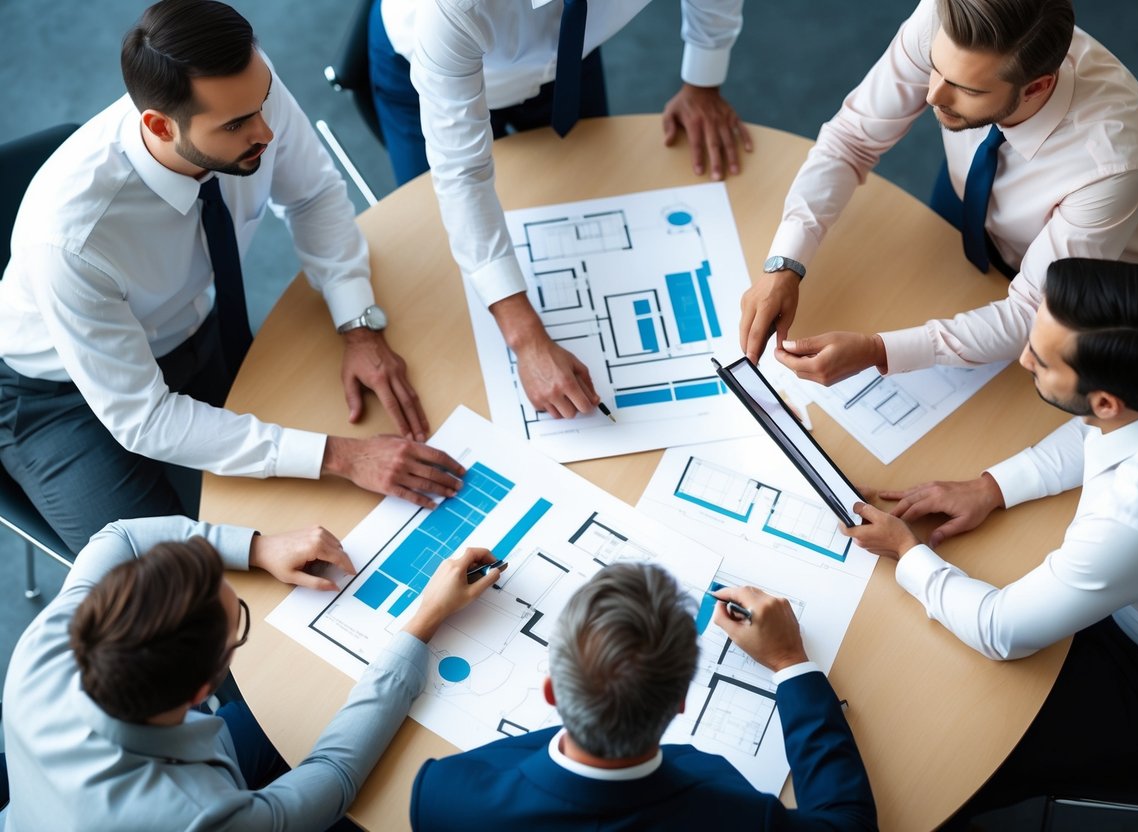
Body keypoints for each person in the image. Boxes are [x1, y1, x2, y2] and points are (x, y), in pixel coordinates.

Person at [0, 0, 463, 555]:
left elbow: (313, 193)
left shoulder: (245, 90)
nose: (267, 131)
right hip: (58, 399)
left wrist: (358, 326)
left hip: (192, 330)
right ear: (158, 125)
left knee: (344, 493)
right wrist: (339, 458)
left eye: (262, 103)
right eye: (238, 124)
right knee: (164, 581)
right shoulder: (71, 241)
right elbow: (144, 418)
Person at [842, 258, 1138, 814]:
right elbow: (1109, 425)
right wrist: (993, 486)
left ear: (1105, 399)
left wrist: (906, 552)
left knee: (946, 761)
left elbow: (1001, 630)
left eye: (1039, 363)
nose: (1022, 359)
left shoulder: (1133, 523)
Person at [739, 0, 1138, 388]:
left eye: (967, 89)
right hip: (975, 202)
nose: (933, 94)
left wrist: (879, 351)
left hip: (1094, 284)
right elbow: (851, 140)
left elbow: (1032, 309)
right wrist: (785, 264)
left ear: (1036, 87)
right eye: (935, 67)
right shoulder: (943, 18)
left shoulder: (1113, 163)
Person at [0, 514, 506, 831]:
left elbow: (122, 537)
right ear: (204, 690)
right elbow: (332, 777)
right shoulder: (199, 816)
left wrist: (256, 548)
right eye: (236, 623)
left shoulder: (49, 642)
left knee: (288, 708)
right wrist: (422, 623)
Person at [370, 0, 750, 421]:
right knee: (439, 260)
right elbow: (462, 175)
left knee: (587, 201)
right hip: (428, 63)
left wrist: (703, 78)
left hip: (570, 51)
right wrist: (527, 340)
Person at [411, 563, 878, 830]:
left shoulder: (442, 795)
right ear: (679, 701)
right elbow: (848, 824)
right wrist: (788, 659)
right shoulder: (731, 808)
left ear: (552, 690)